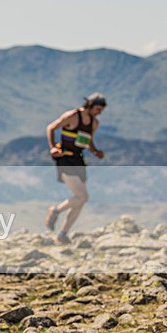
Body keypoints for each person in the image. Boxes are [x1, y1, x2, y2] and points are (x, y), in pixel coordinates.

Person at [45, 93, 107, 244]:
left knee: (81, 200)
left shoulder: (94, 123)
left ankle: (63, 234)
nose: (100, 112)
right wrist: (53, 147)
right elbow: (51, 128)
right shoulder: (72, 116)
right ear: (90, 105)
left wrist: (95, 151)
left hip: (79, 159)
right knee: (82, 196)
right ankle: (56, 211)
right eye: (98, 108)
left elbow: (88, 140)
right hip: (65, 158)